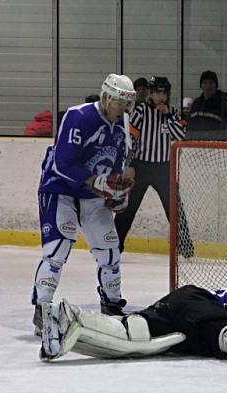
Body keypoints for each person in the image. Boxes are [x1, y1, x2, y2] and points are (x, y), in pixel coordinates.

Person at [31, 73, 137, 335]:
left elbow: (116, 166)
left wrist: (116, 192)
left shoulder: (121, 125)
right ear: (105, 97)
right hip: (60, 190)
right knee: (57, 250)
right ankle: (42, 310)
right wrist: (97, 182)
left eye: (127, 105)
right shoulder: (78, 116)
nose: (124, 110)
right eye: (120, 104)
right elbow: (63, 162)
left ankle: (112, 305)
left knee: (110, 251)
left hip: (92, 195)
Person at [38, 277, 227, 366]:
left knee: (134, 335)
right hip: (196, 309)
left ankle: (65, 323)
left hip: (184, 305)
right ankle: (69, 321)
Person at [114, 76, 194, 257]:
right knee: (128, 209)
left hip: (164, 168)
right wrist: (127, 164)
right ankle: (113, 246)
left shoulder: (173, 113)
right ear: (150, 93)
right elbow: (131, 138)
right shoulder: (141, 110)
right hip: (140, 166)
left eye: (164, 92)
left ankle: (185, 248)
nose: (161, 96)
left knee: (175, 209)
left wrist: (166, 115)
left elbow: (179, 135)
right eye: (157, 92)